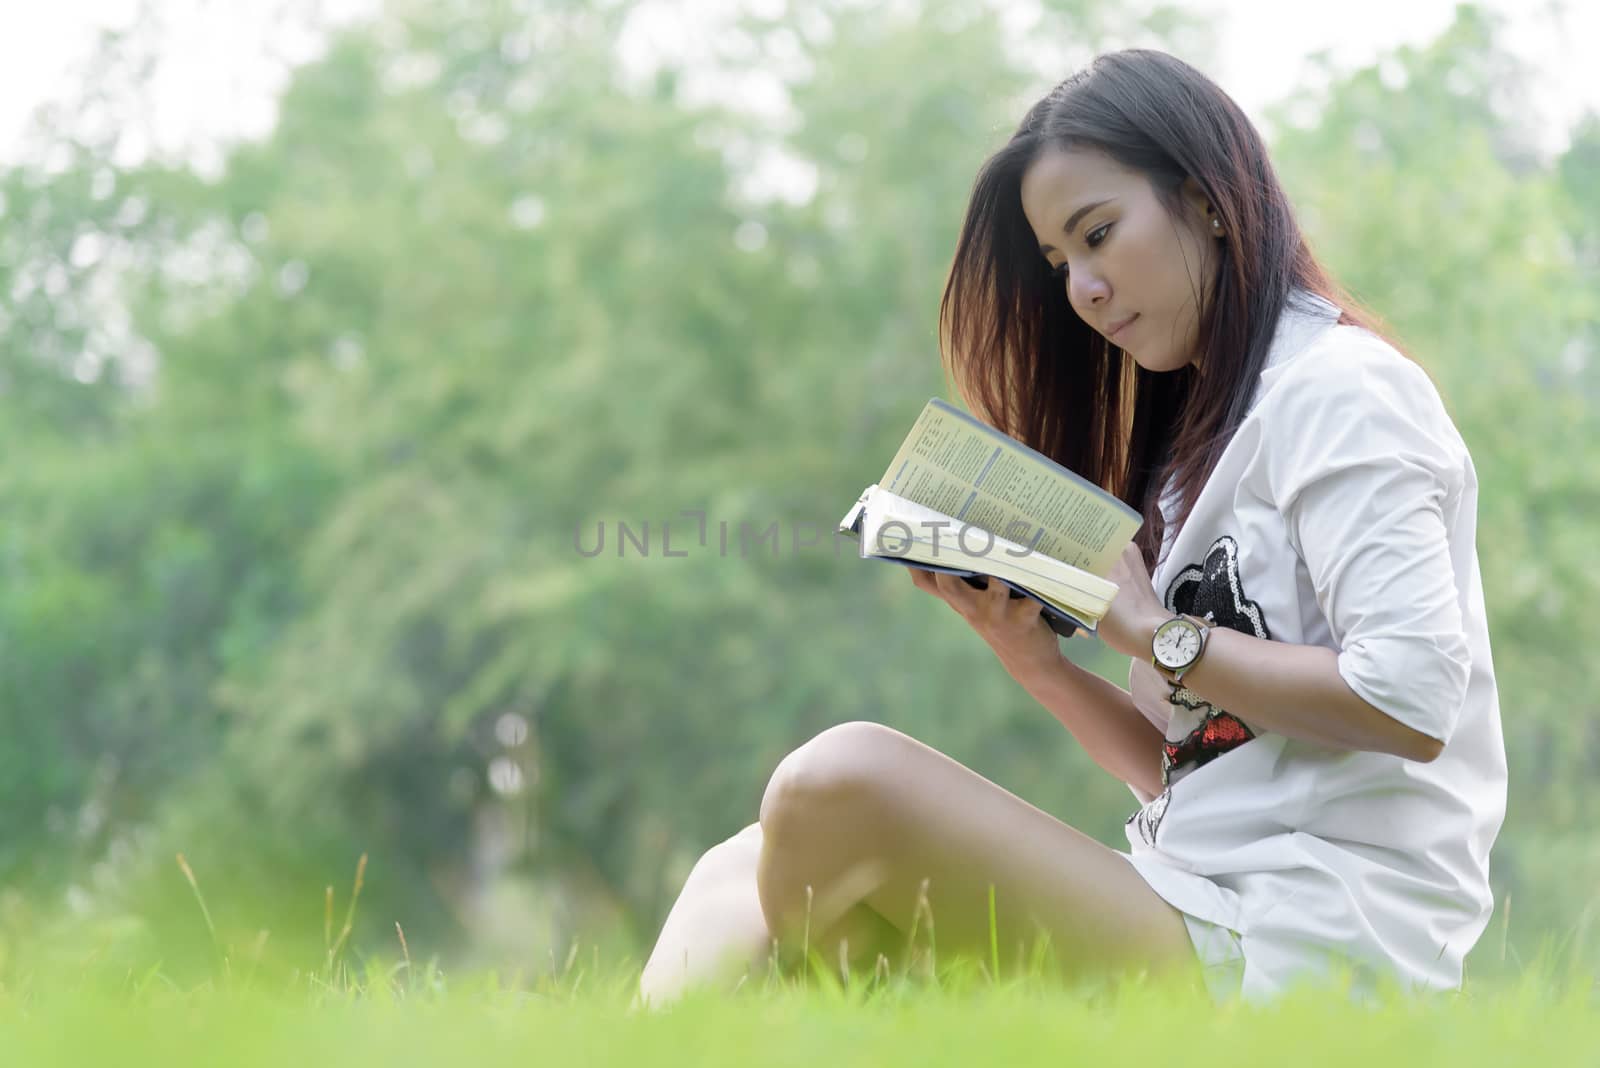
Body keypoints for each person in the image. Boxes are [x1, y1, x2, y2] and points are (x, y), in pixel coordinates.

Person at [638, 48, 1507, 1007]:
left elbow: (1412, 701)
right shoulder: (1198, 441)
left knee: (837, 782)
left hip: (1316, 950)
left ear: (1208, 200)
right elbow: (1187, 767)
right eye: (1061, 263)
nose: (1082, 290)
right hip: (1200, 900)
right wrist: (1040, 665)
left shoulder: (1343, 392)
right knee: (749, 862)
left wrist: (1150, 632)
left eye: (1098, 235)